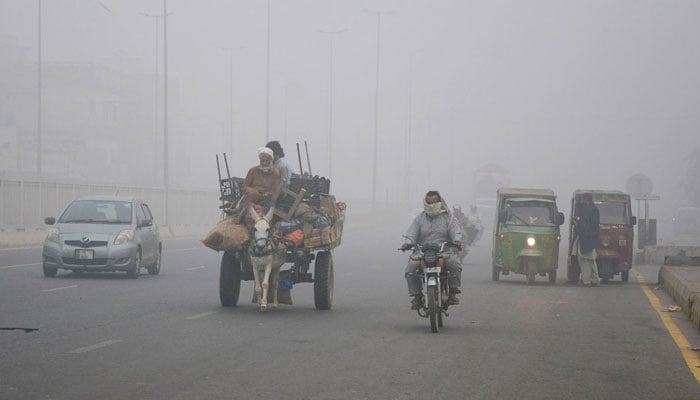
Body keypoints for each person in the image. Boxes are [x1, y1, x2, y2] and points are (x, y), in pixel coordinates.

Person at [400, 191, 463, 309]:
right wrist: (407, 244)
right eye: (430, 202)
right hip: (422, 251)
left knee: (454, 263)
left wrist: (457, 240)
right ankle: (417, 296)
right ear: (425, 202)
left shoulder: (448, 217)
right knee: (411, 269)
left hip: (443, 250)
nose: (432, 204)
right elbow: (412, 234)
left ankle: (453, 292)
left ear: (440, 201)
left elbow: (455, 231)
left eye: (435, 201)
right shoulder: (419, 219)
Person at [239, 147, 281, 213]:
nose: (264, 163)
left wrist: (268, 194)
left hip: (265, 198)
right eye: (262, 161)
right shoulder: (253, 170)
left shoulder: (275, 173)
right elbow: (244, 186)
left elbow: (275, 190)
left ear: (270, 160)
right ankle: (241, 212)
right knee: (254, 194)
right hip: (251, 195)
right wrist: (252, 190)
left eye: (266, 161)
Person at [572, 194, 600, 287]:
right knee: (591, 260)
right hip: (591, 239)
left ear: (586, 199)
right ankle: (595, 280)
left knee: (584, 260)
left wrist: (577, 223)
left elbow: (585, 225)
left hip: (586, 239)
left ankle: (586, 281)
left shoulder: (588, 210)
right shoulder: (592, 209)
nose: (581, 201)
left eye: (582, 199)